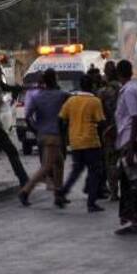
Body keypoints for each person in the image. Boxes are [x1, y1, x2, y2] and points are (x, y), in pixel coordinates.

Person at [18, 68, 69, 207]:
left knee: (59, 162)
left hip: (42, 134)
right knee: (46, 166)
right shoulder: (61, 95)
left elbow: (28, 116)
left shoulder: (37, 96)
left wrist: (35, 129)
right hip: (54, 136)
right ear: (55, 80)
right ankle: (25, 191)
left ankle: (59, 194)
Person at [113, 60, 137, 235]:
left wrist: (129, 148)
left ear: (118, 73)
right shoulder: (133, 89)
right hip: (132, 140)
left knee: (135, 183)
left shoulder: (129, 91)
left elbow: (134, 118)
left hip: (132, 141)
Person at [56, 75, 106, 213]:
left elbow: (60, 118)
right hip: (91, 141)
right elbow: (101, 122)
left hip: (76, 142)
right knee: (95, 171)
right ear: (92, 86)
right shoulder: (95, 101)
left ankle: (62, 192)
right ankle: (91, 202)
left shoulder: (71, 100)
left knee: (76, 170)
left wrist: (64, 135)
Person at [96, 61, 121, 201]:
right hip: (123, 128)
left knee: (111, 161)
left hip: (109, 130)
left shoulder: (103, 92)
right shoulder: (123, 88)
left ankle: (114, 192)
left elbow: (98, 109)